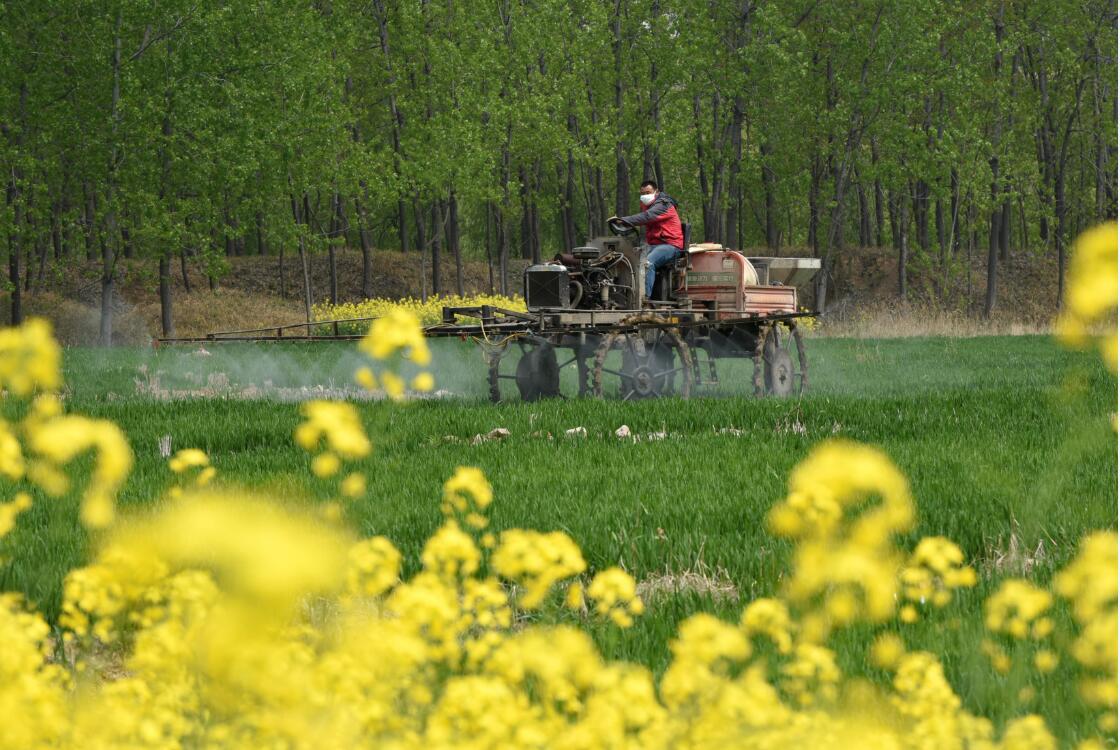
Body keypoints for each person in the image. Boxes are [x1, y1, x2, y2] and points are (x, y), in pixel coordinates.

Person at [610, 180, 684, 301]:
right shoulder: (648, 206)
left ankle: (644, 299)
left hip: (671, 245)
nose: (645, 196)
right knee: (627, 258)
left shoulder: (664, 205)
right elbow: (643, 220)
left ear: (656, 192)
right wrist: (625, 225)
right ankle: (624, 295)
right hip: (654, 245)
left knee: (648, 263)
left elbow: (646, 217)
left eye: (648, 192)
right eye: (642, 193)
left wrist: (622, 220)